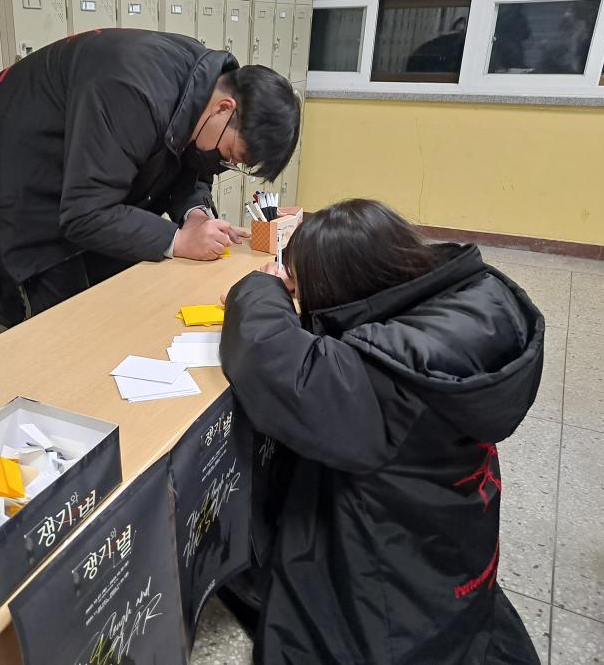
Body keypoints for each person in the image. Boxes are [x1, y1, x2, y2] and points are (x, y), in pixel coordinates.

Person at [220, 199, 544, 664]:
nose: (296, 294)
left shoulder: (386, 378)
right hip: (453, 555)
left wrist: (261, 287)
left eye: (300, 286)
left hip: (390, 608)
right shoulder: (474, 304)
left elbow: (270, 361)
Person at [0, 29, 302, 327]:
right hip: (24, 151)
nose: (223, 163)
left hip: (86, 166)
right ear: (224, 108)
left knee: (121, 290)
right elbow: (85, 213)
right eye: (230, 154)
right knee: (68, 317)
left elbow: (186, 158)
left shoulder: (203, 88)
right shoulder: (133, 93)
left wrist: (195, 215)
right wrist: (179, 240)